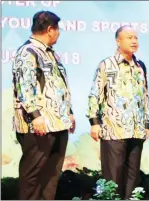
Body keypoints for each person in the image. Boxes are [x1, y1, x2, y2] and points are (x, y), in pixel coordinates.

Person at [12, 10, 76, 200]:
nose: (58, 34)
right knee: (34, 175)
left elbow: (59, 86)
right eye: (57, 30)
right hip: (38, 125)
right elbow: (25, 86)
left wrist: (69, 113)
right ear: (50, 29)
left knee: (51, 175)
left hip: (57, 123)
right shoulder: (28, 52)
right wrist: (35, 115)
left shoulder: (51, 55)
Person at [87, 25, 149, 199]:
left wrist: (146, 125)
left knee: (133, 178)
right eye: (129, 37)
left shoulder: (140, 66)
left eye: (136, 37)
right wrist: (94, 123)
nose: (134, 41)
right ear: (118, 40)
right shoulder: (107, 65)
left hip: (136, 130)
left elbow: (144, 97)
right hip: (114, 129)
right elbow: (95, 94)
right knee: (113, 178)